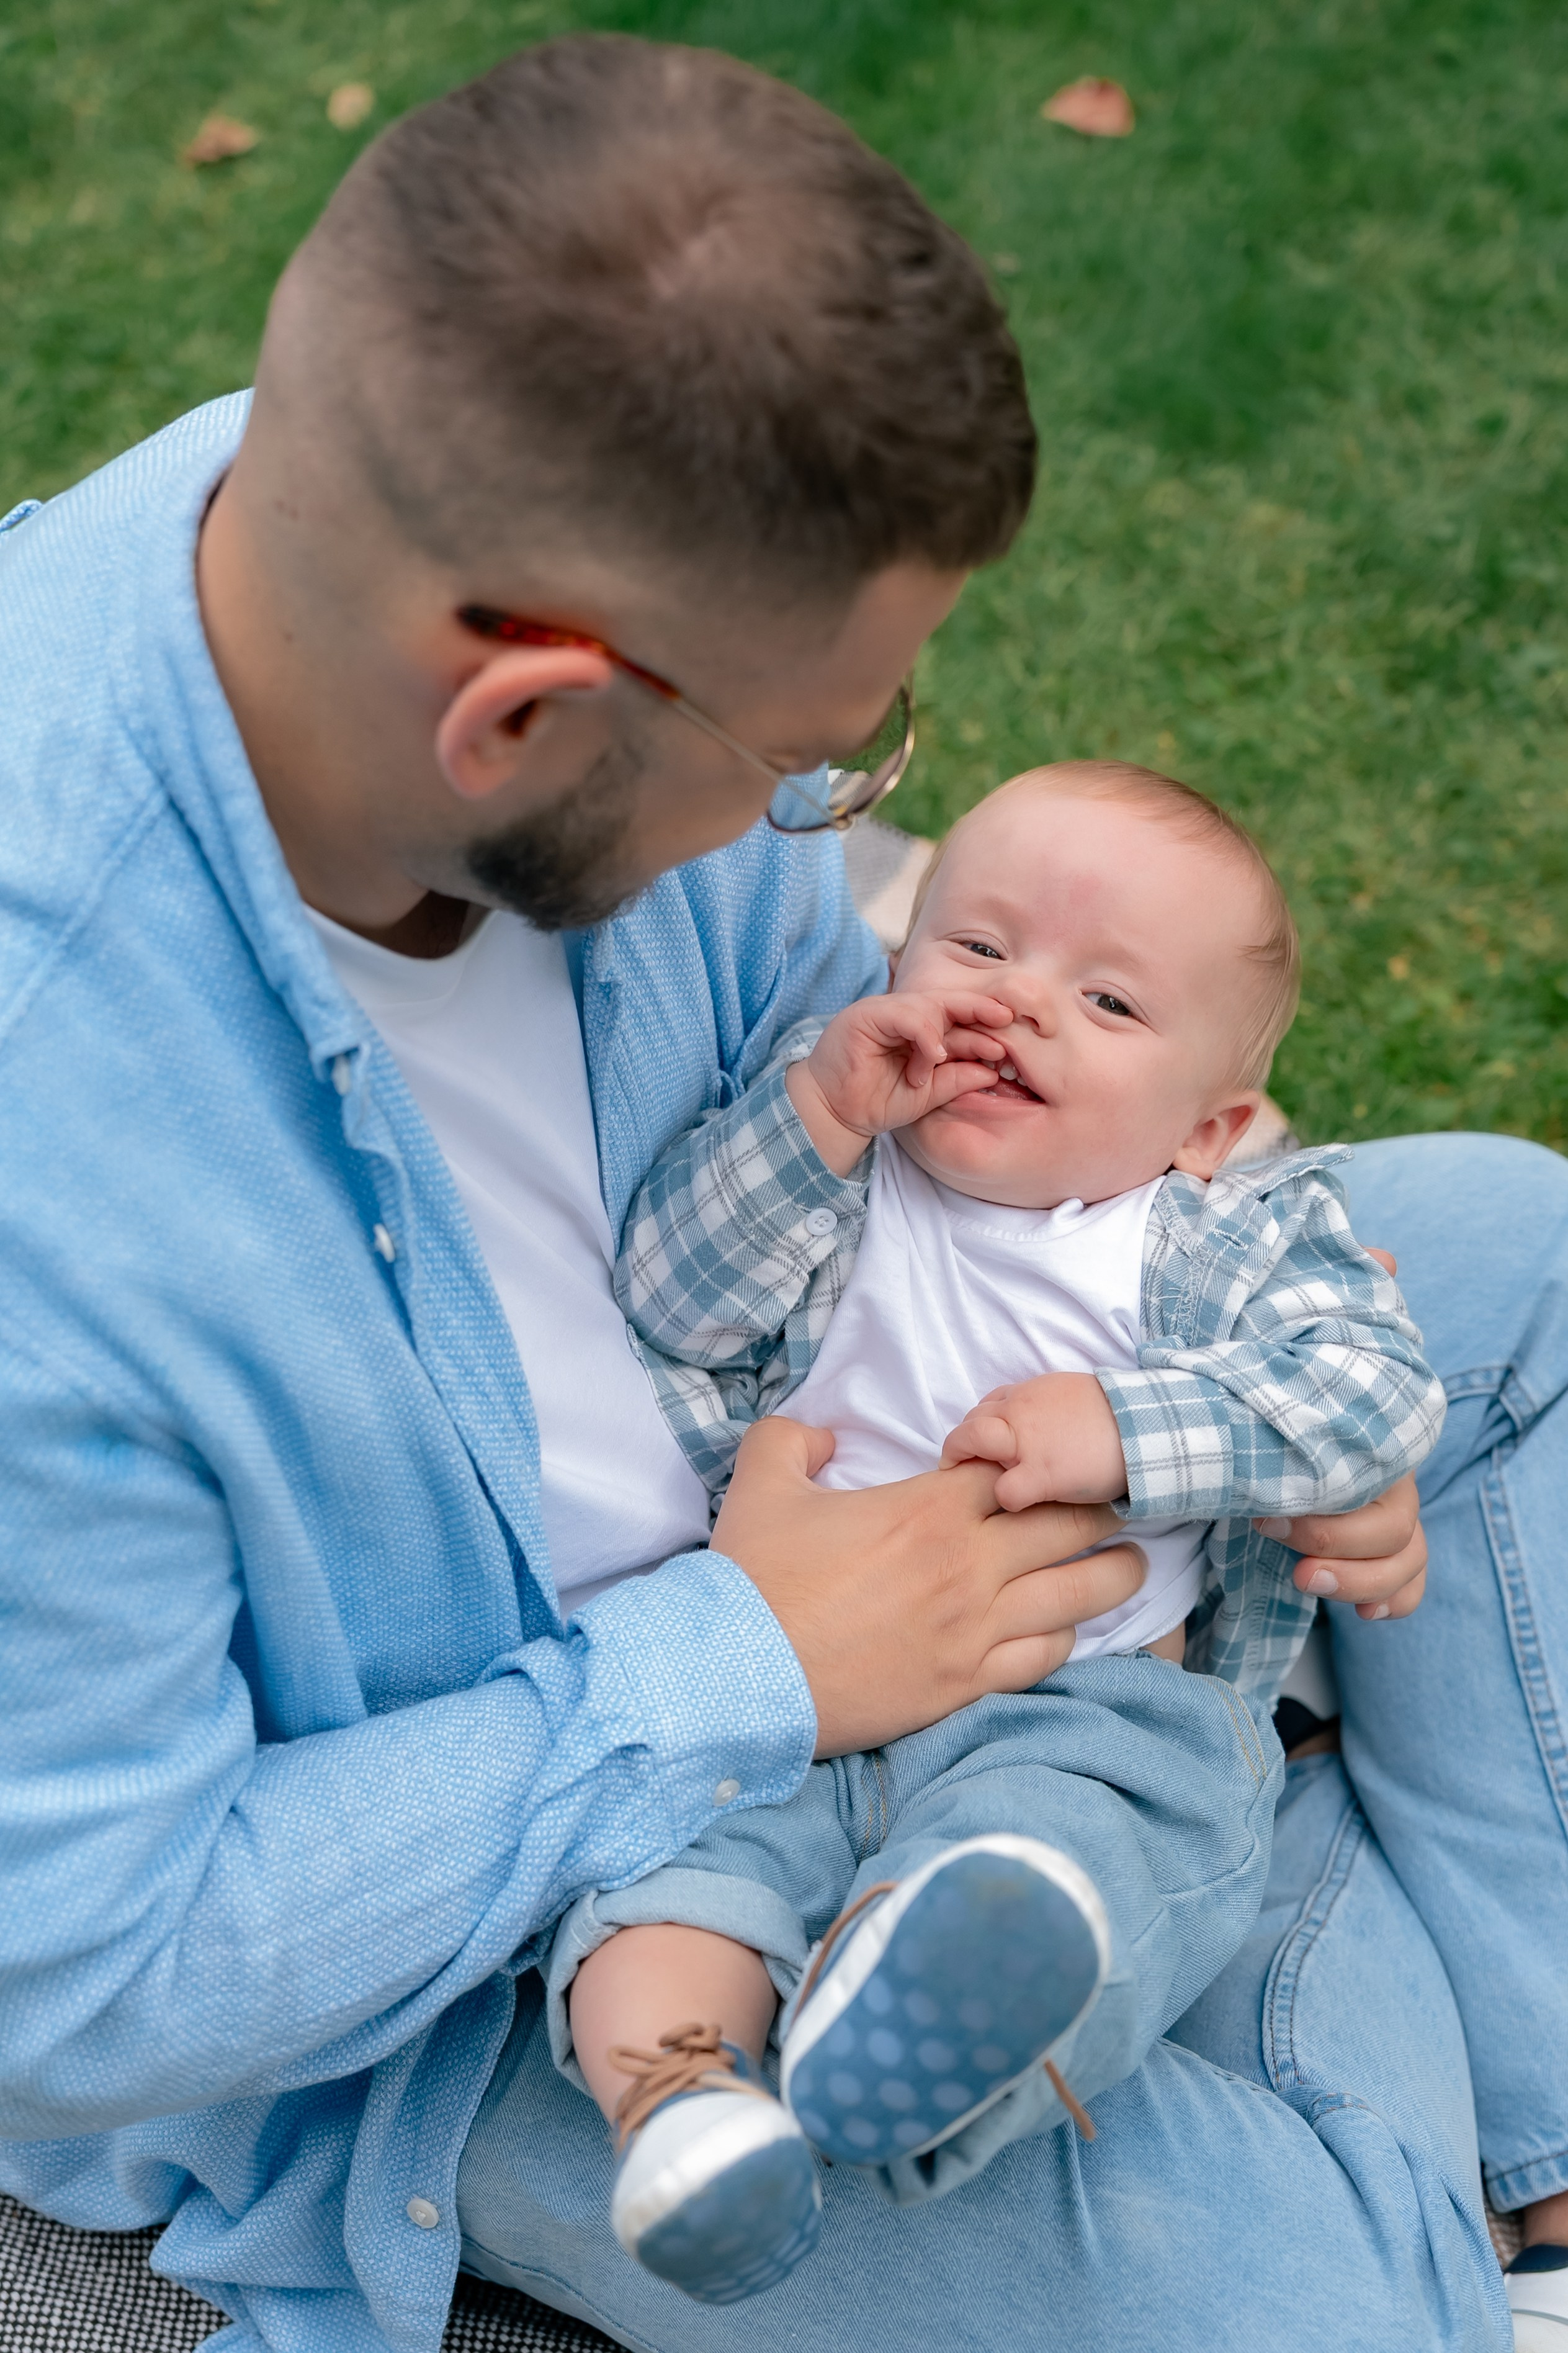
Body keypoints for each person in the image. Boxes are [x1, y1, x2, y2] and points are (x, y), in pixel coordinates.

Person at [0, 33, 1559, 2353]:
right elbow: (95, 1967)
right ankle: (1311, 1950)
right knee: (1308, 2301)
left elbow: (819, 1123)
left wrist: (1212, 1402)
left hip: (873, 1415)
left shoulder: (368, 503)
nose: (836, 820)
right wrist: (754, 1659)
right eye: (808, 754)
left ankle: (1406, 2053)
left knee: (1503, 1254)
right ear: (516, 722)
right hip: (525, 1890)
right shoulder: (55, 1160)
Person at [553, 761, 1448, 2303]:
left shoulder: (1197, 1243)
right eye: (978, 948)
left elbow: (1370, 1389)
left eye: (1106, 1005)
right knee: (660, 1883)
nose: (1019, 1004)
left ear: (1210, 1126)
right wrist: (821, 1110)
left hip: (1078, 1703)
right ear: (897, 963)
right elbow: (670, 1308)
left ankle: (919, 2023)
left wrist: (1122, 1431)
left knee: (1070, 1863)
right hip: (782, 1687)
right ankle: (683, 2109)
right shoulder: (840, 1163)